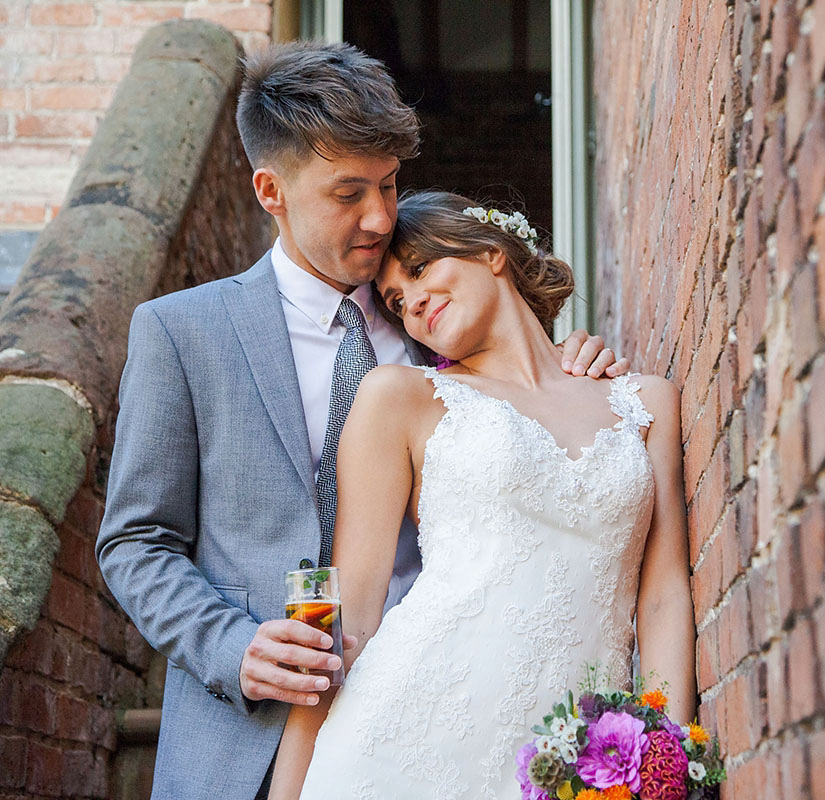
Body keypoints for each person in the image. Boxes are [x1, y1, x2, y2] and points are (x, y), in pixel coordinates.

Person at [95, 43, 624, 800]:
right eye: (348, 194)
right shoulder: (181, 332)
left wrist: (577, 367)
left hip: (438, 724)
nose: (381, 217)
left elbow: (530, 400)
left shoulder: (437, 321)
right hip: (240, 745)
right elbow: (136, 542)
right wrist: (233, 646)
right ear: (270, 190)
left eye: (389, 184)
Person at [266, 190, 697, 800]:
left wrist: (666, 759)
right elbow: (347, 622)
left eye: (419, 270)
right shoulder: (398, 396)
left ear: (491, 252)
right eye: (395, 302)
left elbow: (662, 598)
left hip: (571, 759)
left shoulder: (645, 403)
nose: (411, 302)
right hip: (400, 745)